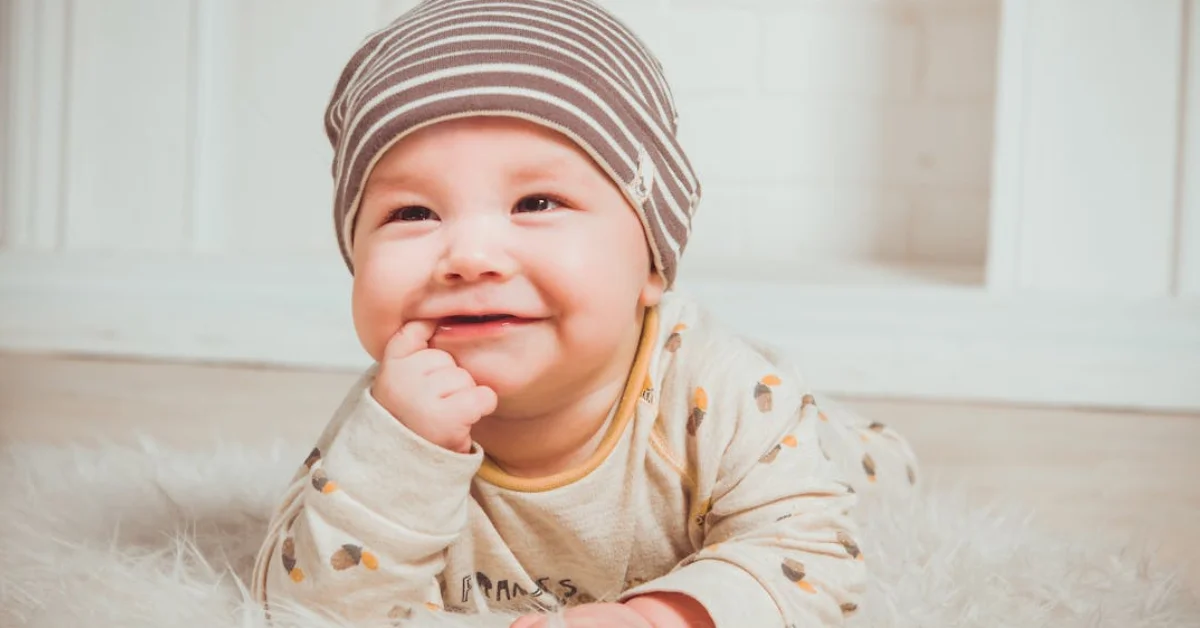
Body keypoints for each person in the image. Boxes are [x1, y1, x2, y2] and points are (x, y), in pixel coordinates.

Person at [251, 1, 919, 625]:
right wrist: (402, 458)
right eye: (413, 213)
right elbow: (305, 605)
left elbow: (813, 559)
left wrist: (659, 616)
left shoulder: (725, 393)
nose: (471, 255)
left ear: (652, 264)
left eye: (536, 203)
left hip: (796, 442)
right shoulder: (389, 422)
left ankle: (852, 437)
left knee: (842, 476)